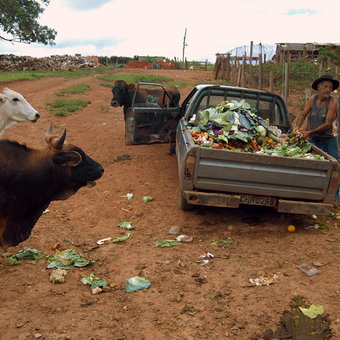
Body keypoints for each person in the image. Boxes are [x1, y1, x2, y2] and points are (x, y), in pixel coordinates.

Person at [293, 74, 339, 201]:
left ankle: (334, 198)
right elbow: (303, 115)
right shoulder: (312, 100)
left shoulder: (332, 103)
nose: (328, 90)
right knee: (311, 165)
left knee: (334, 167)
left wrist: (309, 132)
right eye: (325, 87)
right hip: (314, 138)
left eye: (330, 87)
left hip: (329, 140)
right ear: (319, 87)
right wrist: (297, 128)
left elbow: (327, 124)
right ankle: (309, 193)